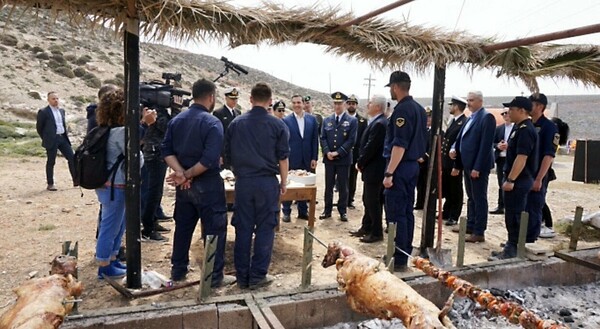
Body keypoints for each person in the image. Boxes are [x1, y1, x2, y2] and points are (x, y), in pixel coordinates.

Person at [161, 78, 235, 287]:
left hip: (185, 186)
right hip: (207, 183)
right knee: (214, 229)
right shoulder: (212, 122)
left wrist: (180, 172)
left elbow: (166, 150)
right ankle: (214, 276)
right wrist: (187, 174)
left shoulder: (177, 120)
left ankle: (178, 270)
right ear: (211, 97)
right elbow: (210, 159)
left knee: (183, 227)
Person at [224, 82, 290, 289]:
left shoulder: (236, 123)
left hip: (244, 182)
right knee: (265, 228)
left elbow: (227, 156)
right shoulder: (279, 125)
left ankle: (243, 276)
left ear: (251, 100)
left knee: (243, 228)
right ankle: (258, 275)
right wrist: (284, 182)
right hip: (267, 183)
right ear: (270, 102)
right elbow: (283, 158)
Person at [94, 88, 142, 279]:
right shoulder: (121, 132)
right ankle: (104, 266)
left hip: (108, 185)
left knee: (116, 225)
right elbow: (137, 161)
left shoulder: (105, 129)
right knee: (111, 226)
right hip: (117, 187)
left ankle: (112, 260)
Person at [382, 71, 427, 270]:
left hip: (400, 167)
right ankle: (404, 251)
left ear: (395, 87)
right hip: (412, 166)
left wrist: (389, 173)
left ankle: (398, 258)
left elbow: (399, 145)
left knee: (396, 212)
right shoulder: (418, 109)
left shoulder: (402, 110)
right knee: (407, 211)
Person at [489, 97, 538, 260]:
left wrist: (510, 180)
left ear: (522, 111)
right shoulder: (519, 128)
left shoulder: (526, 130)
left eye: (512, 109)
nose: (509, 112)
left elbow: (521, 158)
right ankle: (511, 244)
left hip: (519, 180)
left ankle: (512, 249)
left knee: (515, 214)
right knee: (511, 213)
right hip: (516, 178)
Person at [450, 91, 496, 243]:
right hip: (467, 165)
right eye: (468, 100)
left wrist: (477, 167)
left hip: (477, 166)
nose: (468, 103)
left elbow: (485, 145)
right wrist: (454, 148)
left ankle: (479, 231)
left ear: (480, 101)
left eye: (471, 100)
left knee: (479, 198)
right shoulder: (471, 117)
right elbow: (460, 138)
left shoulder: (486, 117)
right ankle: (471, 224)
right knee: (471, 197)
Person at [140, 92, 182, 242]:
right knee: (153, 192)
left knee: (156, 192)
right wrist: (176, 109)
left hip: (157, 154)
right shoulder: (154, 112)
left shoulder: (155, 110)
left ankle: (153, 221)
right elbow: (171, 127)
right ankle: (148, 228)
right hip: (154, 155)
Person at [350, 94, 388, 243]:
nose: (367, 105)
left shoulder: (380, 124)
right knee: (368, 199)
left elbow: (370, 147)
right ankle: (366, 227)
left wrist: (360, 162)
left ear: (378, 106)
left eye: (370, 103)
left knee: (372, 201)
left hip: (375, 169)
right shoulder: (376, 121)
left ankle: (377, 232)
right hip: (372, 169)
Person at [319, 92, 357, 222]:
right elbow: (323, 137)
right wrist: (327, 151)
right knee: (328, 186)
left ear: (345, 104)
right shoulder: (327, 120)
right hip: (329, 159)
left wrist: (338, 152)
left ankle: (342, 211)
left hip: (343, 159)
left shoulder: (352, 121)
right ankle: (327, 210)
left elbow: (351, 140)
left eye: (340, 103)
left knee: (343, 186)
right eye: (335, 103)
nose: (337, 106)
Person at [526, 93, 559, 242]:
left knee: (534, 208)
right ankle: (520, 240)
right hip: (524, 175)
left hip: (537, 175)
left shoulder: (549, 127)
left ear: (539, 106)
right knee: (523, 209)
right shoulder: (528, 124)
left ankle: (530, 241)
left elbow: (548, 155)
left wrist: (539, 178)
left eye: (530, 104)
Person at [281, 95, 319, 222]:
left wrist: (314, 157)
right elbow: (284, 142)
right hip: (292, 158)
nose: (297, 105)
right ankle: (286, 212)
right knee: (289, 185)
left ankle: (303, 211)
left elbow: (315, 140)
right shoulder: (286, 120)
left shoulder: (312, 120)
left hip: (307, 158)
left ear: (303, 104)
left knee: (304, 186)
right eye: (294, 103)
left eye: (299, 102)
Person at [36, 91, 76, 191]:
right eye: (53, 99)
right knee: (51, 161)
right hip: (52, 139)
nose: (56, 101)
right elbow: (39, 127)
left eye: (57, 98)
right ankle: (50, 184)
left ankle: (76, 180)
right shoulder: (44, 112)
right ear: (48, 100)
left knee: (72, 158)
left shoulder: (61, 111)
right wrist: (46, 138)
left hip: (62, 138)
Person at [442, 96, 468, 226]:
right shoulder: (454, 121)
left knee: (455, 189)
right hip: (447, 161)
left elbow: (460, 144)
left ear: (457, 107)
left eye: (452, 105)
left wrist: (457, 165)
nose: (450, 107)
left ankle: (454, 215)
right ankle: (446, 211)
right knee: (448, 188)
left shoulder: (463, 122)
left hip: (455, 161)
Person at [346, 94, 368, 209]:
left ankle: (350, 199)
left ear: (356, 106)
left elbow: (364, 139)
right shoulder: (342, 119)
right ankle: (342, 199)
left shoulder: (363, 121)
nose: (351, 106)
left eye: (353, 104)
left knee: (352, 178)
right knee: (342, 178)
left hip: (355, 154)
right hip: (344, 153)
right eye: (349, 103)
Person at [490, 109, 513, 215]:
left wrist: (509, 146)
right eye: (503, 114)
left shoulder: (517, 128)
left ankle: (509, 205)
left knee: (511, 181)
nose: (505, 115)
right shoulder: (499, 128)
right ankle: (501, 205)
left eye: (507, 113)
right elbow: (492, 142)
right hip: (501, 158)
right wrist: (498, 146)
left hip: (512, 158)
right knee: (501, 182)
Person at [213, 87, 242, 169]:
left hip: (235, 152)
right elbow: (217, 136)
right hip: (223, 152)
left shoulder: (238, 113)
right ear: (226, 98)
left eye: (236, 99)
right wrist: (219, 155)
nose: (234, 101)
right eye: (232, 99)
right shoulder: (219, 113)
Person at [414, 107, 432, 210]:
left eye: (429, 117)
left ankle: (426, 203)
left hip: (428, 162)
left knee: (426, 184)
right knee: (419, 184)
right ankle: (419, 203)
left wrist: (425, 157)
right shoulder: (422, 130)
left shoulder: (435, 131)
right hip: (419, 161)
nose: (428, 119)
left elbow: (433, 147)